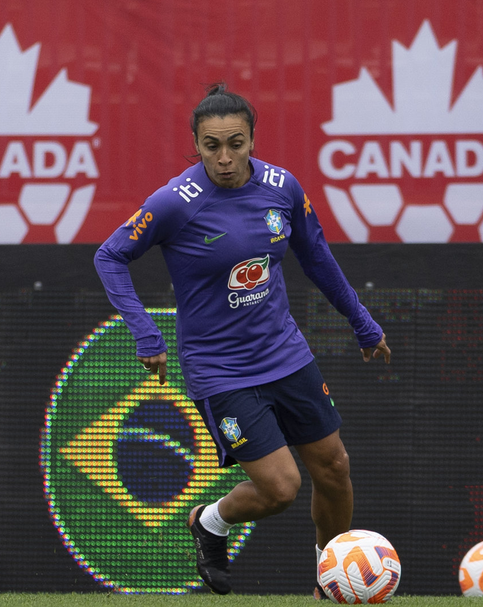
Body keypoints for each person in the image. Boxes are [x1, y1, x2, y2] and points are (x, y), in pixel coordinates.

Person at [94, 85, 391, 596]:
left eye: (236, 143)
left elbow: (316, 256)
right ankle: (210, 521)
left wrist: (362, 320)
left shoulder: (282, 187)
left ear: (253, 140)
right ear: (196, 144)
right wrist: (145, 332)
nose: (225, 158)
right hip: (221, 370)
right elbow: (109, 256)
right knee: (281, 489)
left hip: (286, 354)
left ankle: (332, 579)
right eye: (212, 146)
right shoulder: (174, 202)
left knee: (335, 469)